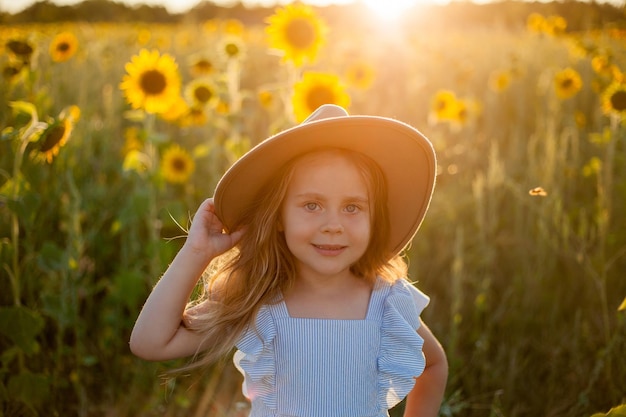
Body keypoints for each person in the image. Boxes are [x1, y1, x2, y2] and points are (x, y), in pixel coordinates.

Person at [130, 104, 448, 417]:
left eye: (352, 207)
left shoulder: (386, 302)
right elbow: (151, 343)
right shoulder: (257, 298)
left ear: (373, 218)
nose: (332, 225)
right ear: (279, 216)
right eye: (312, 205)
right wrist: (196, 252)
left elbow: (433, 364)